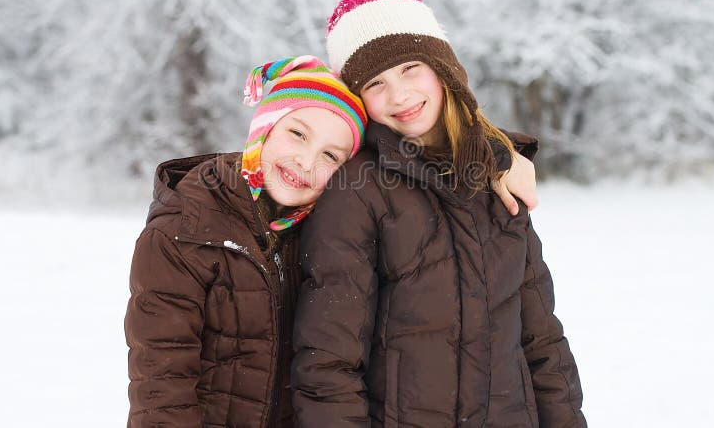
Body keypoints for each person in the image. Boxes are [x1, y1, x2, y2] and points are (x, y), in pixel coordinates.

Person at [125, 55, 536, 427]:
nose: (306, 162)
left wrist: (502, 160)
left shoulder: (328, 226)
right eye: (298, 134)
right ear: (265, 128)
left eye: (331, 156)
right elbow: (161, 383)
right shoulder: (186, 228)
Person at [291, 0, 587, 427]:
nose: (399, 95)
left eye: (411, 68)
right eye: (376, 82)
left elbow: (541, 341)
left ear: (442, 68)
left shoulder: (497, 179)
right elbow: (328, 363)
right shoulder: (356, 192)